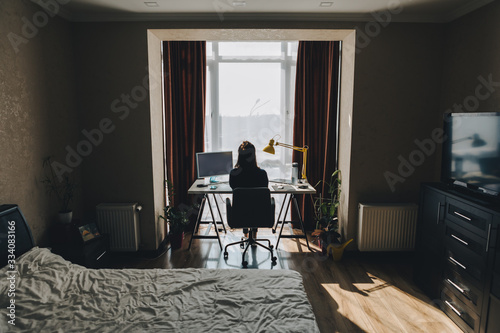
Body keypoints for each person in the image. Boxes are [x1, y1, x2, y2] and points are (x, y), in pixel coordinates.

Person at [229, 141, 268, 239]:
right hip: (261, 216)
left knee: (244, 203)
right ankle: (254, 234)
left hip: (239, 216)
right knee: (254, 204)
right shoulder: (262, 174)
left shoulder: (234, 174)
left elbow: (234, 188)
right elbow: (264, 189)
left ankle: (246, 233)